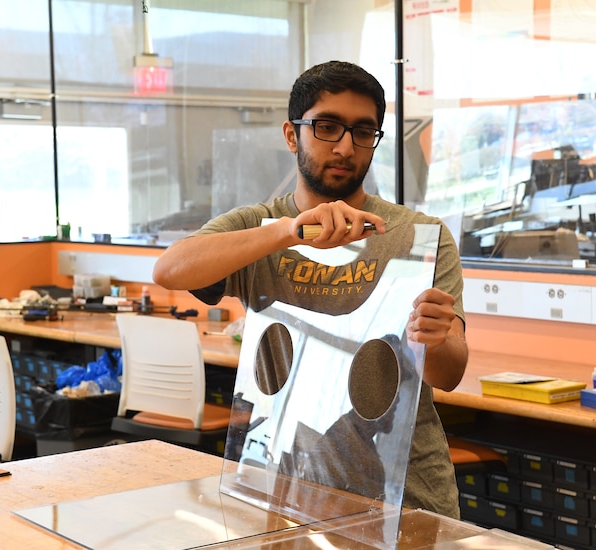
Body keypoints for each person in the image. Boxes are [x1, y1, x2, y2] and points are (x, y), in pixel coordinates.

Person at [152, 60, 469, 519]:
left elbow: (449, 373)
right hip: (283, 493)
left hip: (404, 501)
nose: (345, 146)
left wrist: (437, 340)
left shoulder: (417, 235)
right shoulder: (256, 228)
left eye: (364, 131)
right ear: (291, 134)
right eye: (327, 127)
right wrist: (288, 233)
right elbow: (170, 270)